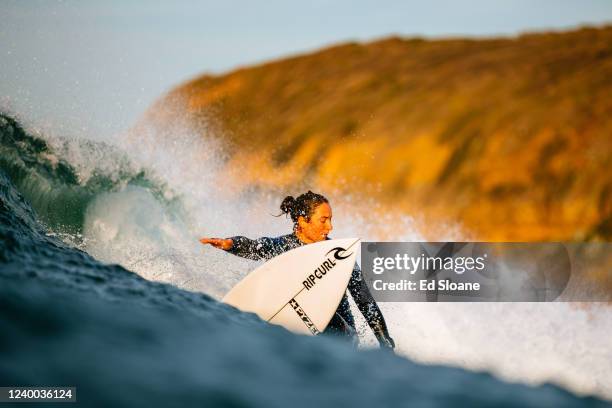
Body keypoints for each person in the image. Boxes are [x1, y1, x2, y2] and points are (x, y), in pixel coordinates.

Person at [200, 191, 395, 350]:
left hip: (342, 336)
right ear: (303, 221)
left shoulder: (339, 254)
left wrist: (385, 342)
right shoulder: (285, 246)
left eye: (330, 220)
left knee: (331, 320)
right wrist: (230, 243)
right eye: (323, 220)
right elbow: (256, 247)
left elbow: (365, 302)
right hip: (298, 334)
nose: (330, 226)